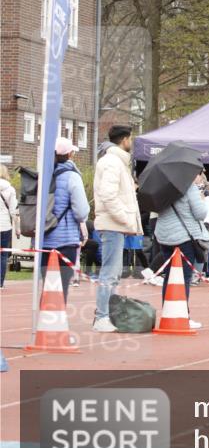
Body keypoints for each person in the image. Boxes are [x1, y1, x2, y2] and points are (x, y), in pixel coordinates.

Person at [93, 124, 142, 332]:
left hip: (115, 224)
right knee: (110, 273)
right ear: (125, 139)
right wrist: (124, 218)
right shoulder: (113, 163)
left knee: (112, 273)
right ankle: (101, 316)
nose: (131, 143)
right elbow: (108, 194)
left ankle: (106, 315)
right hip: (113, 224)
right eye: (130, 139)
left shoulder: (116, 163)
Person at [154, 172, 209, 329]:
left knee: (169, 276)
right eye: (199, 174)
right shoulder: (189, 188)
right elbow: (201, 213)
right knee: (183, 277)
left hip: (164, 236)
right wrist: (201, 199)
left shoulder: (163, 188)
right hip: (183, 237)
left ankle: (168, 312)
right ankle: (182, 315)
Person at [41, 138, 90, 300]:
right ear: (70, 154)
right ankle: (56, 322)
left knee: (47, 287)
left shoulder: (43, 175)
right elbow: (81, 212)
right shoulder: (72, 176)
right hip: (65, 240)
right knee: (61, 288)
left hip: (43, 239)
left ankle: (44, 320)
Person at [0, 164, 19, 289]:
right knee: (3, 254)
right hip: (5, 225)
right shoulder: (10, 189)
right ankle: (0, 282)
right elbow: (14, 211)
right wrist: (17, 228)